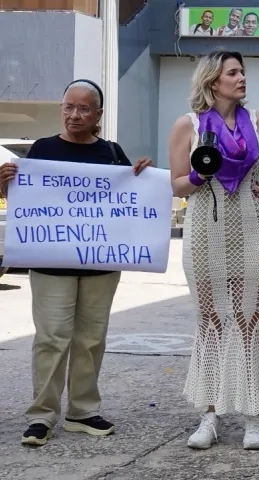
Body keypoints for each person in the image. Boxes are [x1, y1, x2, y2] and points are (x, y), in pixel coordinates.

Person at [0, 79, 152, 446]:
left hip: (100, 265)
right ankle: (42, 416)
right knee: (52, 338)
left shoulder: (112, 153)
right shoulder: (42, 149)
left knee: (90, 339)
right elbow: (25, 201)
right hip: (51, 263)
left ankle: (82, 411)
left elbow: (130, 201)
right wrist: (3, 184)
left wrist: (144, 177)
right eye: (69, 106)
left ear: (98, 114)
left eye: (84, 109)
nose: (74, 115)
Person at [168, 49, 259, 451]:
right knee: (211, 322)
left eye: (242, 72)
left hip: (252, 227)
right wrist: (200, 173)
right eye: (233, 72)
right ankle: (209, 415)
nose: (241, 78)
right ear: (212, 80)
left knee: (249, 320)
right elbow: (177, 185)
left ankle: (253, 417)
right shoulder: (188, 125)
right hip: (204, 227)